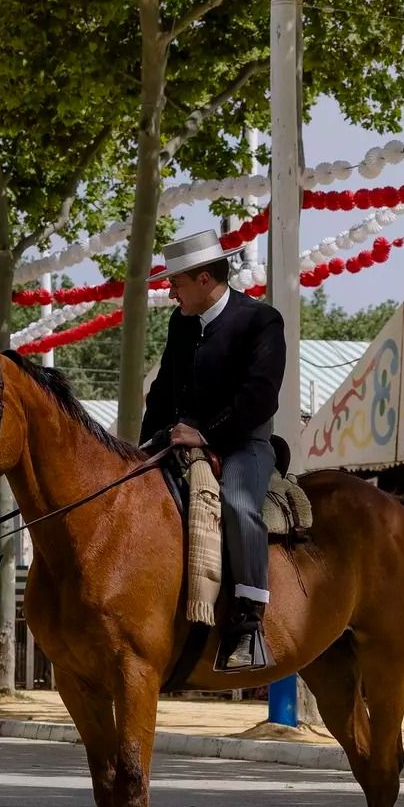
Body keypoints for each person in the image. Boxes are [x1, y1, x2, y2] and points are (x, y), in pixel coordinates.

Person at [140, 229, 286, 672]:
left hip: (244, 444)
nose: (171, 291)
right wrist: (141, 449)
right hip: (178, 440)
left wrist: (205, 434)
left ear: (204, 279)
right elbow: (163, 391)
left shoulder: (261, 320)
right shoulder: (180, 323)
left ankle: (248, 623)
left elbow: (261, 397)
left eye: (176, 282)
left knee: (239, 504)